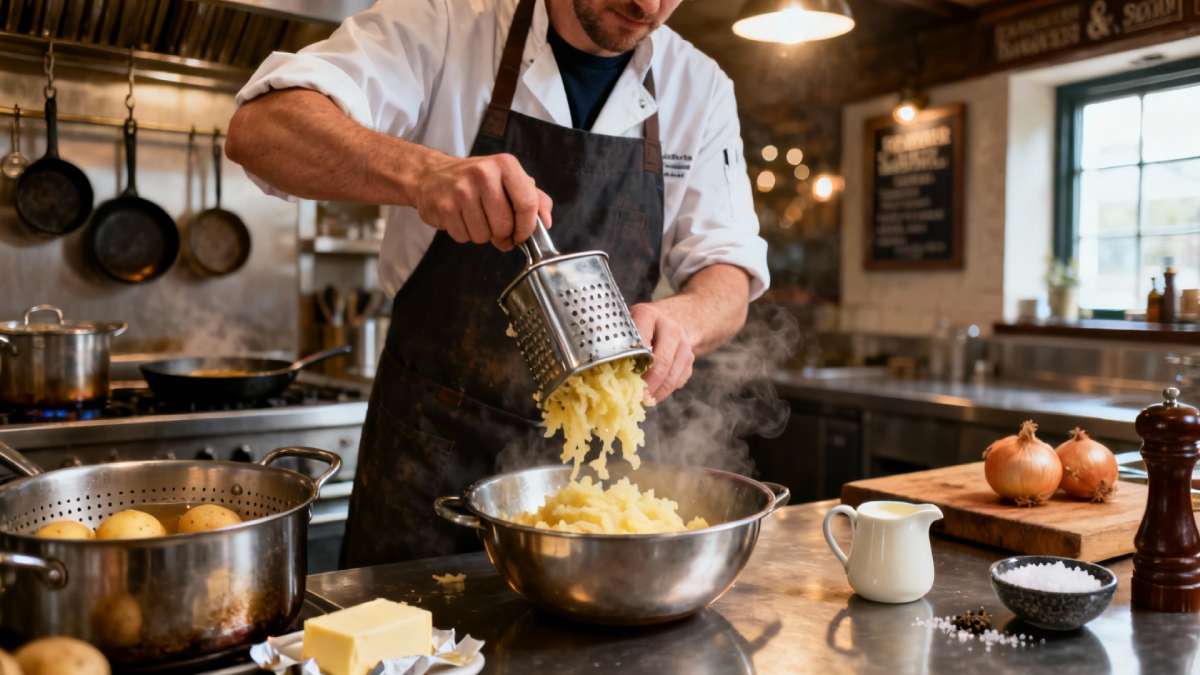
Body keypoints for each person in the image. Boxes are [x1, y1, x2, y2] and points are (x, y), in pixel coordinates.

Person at [226, 0, 769, 567]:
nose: (648, 5)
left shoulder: (699, 86)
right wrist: (423, 173)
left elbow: (727, 275)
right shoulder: (448, 23)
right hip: (427, 460)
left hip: (585, 487)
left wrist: (685, 319)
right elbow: (261, 128)